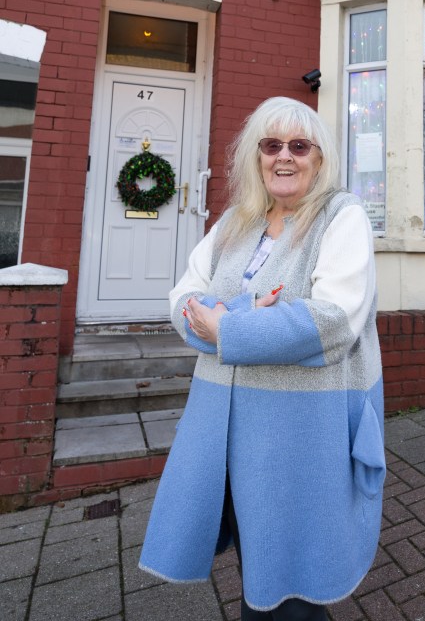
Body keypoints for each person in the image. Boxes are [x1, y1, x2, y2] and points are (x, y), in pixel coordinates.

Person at [139, 97, 385, 620]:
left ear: (320, 158)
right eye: (271, 145)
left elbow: (333, 320)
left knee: (291, 588)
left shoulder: (342, 217)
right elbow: (181, 297)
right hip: (223, 431)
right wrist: (239, 317)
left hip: (299, 434)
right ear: (256, 157)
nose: (284, 157)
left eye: (299, 146)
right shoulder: (237, 220)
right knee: (256, 567)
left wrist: (225, 325)